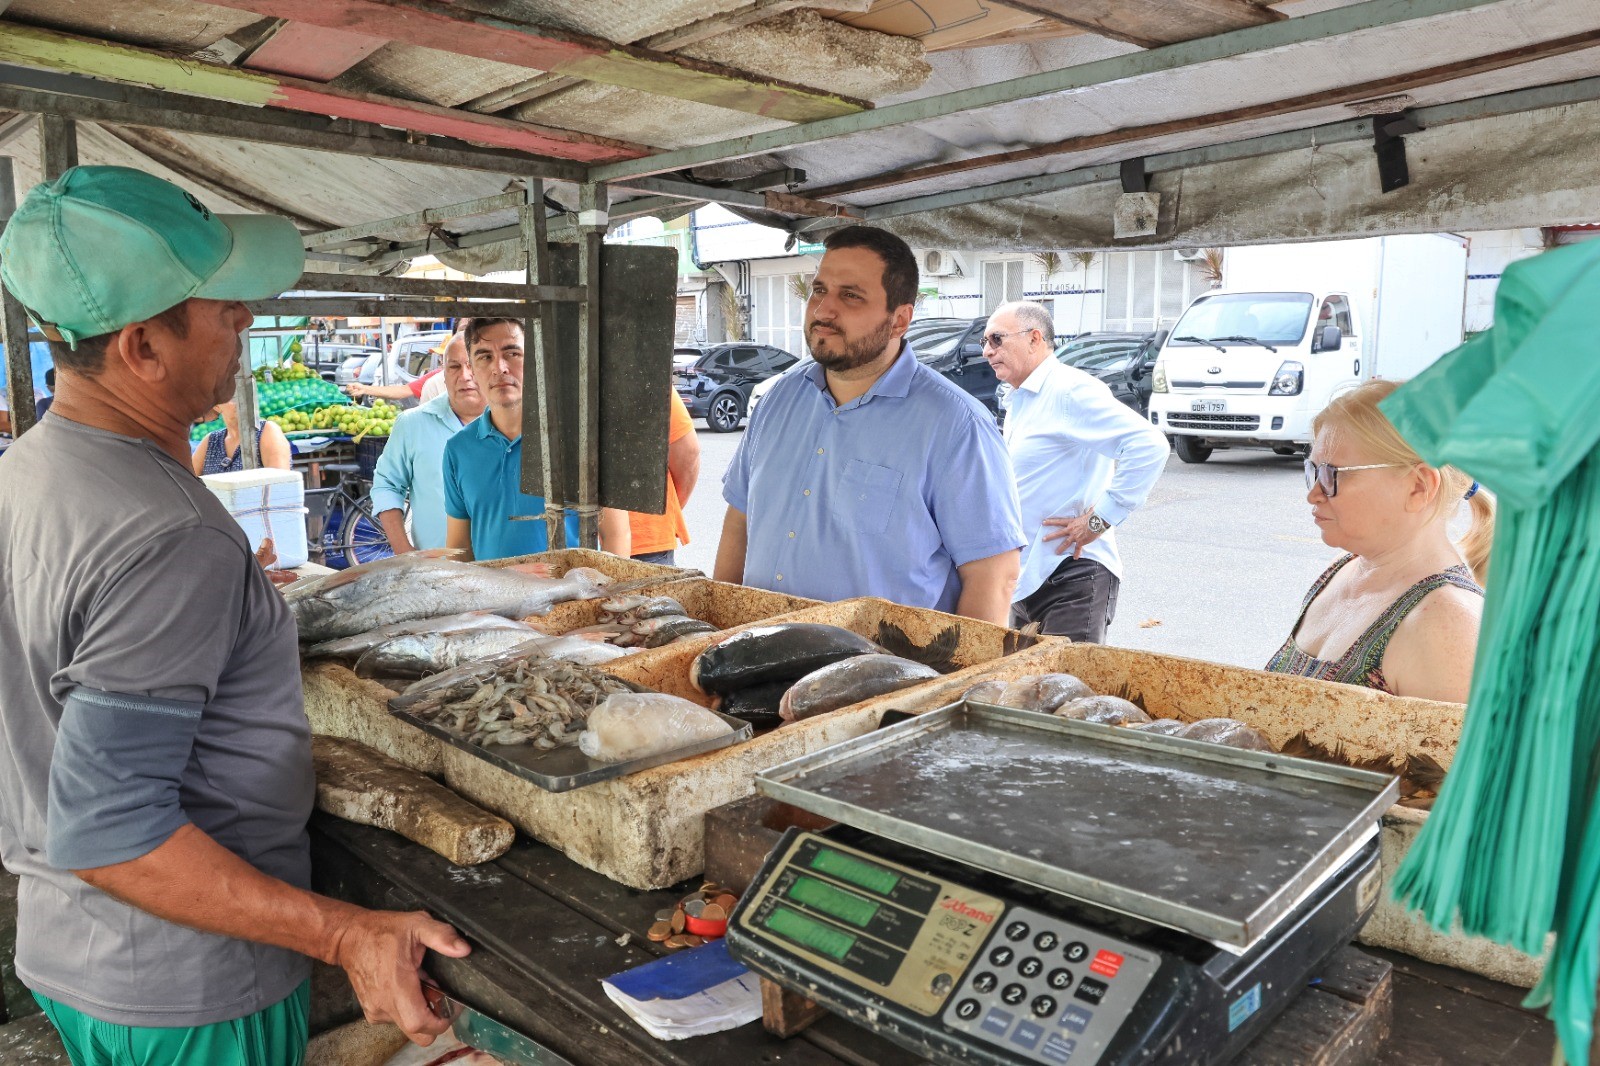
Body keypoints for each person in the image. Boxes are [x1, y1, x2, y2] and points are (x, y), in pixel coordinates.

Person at [0, 165, 468, 1065]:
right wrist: (345, 934)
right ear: (143, 346)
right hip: (186, 989)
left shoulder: (30, 470)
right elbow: (111, 830)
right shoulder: (168, 534)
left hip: (73, 949)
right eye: (223, 306)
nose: (248, 319)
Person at [714, 226, 1024, 623]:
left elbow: (993, 575)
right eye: (820, 290)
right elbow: (739, 521)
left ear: (899, 320)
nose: (823, 310)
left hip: (883, 662)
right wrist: (718, 628)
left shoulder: (957, 426)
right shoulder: (778, 398)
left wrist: (961, 663)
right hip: (755, 651)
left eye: (850, 296)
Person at [1265, 379, 1492, 703]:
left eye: (1332, 475)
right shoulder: (1343, 569)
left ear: (1419, 486)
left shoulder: (1447, 624)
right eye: (1313, 471)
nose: (1313, 494)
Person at [984, 300, 1170, 642]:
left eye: (996, 339)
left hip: (1073, 577)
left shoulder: (1069, 391)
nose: (986, 351)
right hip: (1029, 577)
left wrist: (1098, 522)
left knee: (1061, 677)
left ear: (1034, 338)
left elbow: (1150, 446)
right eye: (984, 342)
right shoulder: (1020, 398)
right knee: (1018, 677)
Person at [443, 318, 579, 560]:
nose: (500, 368)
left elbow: (615, 534)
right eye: (485, 357)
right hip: (490, 586)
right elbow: (459, 548)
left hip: (572, 585)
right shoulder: (458, 450)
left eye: (512, 353)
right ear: (472, 369)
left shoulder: (576, 438)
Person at [369, 333, 483, 553]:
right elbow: (386, 485)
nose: (465, 376)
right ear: (443, 373)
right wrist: (404, 551)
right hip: (437, 568)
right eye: (454, 367)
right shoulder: (412, 424)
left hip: (504, 567)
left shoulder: (513, 424)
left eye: (472, 365)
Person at [623, 391, 700, 565]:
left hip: (641, 537)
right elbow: (688, 451)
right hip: (645, 531)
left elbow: (688, 452)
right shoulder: (644, 377)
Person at [190, 397, 292, 476]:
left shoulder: (267, 431)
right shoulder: (211, 441)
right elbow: (188, 480)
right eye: (233, 397)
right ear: (217, 406)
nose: (241, 401)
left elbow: (280, 484)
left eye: (246, 394)